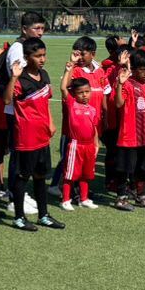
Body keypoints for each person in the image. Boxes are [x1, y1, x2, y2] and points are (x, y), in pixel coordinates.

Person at [0, 36, 62, 231]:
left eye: (44, 55)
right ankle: (19, 217)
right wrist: (14, 77)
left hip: (42, 136)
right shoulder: (21, 79)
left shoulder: (44, 75)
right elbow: (7, 100)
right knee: (23, 177)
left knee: (40, 176)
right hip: (26, 137)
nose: (42, 59)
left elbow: (45, 103)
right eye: (38, 56)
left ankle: (44, 215)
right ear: (27, 57)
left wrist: (50, 123)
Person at [110, 48, 145, 210]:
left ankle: (142, 196)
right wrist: (120, 84)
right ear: (134, 69)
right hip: (129, 136)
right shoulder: (127, 84)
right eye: (142, 69)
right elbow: (118, 104)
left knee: (142, 168)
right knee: (124, 168)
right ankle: (121, 198)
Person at [59, 76, 99, 210]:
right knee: (70, 174)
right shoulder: (72, 104)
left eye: (87, 91)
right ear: (74, 94)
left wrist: (96, 145)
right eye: (81, 92)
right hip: (76, 145)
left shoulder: (92, 109)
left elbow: (94, 128)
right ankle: (65, 200)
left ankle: (84, 198)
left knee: (86, 174)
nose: (84, 95)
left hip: (89, 146)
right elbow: (63, 88)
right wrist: (67, 71)